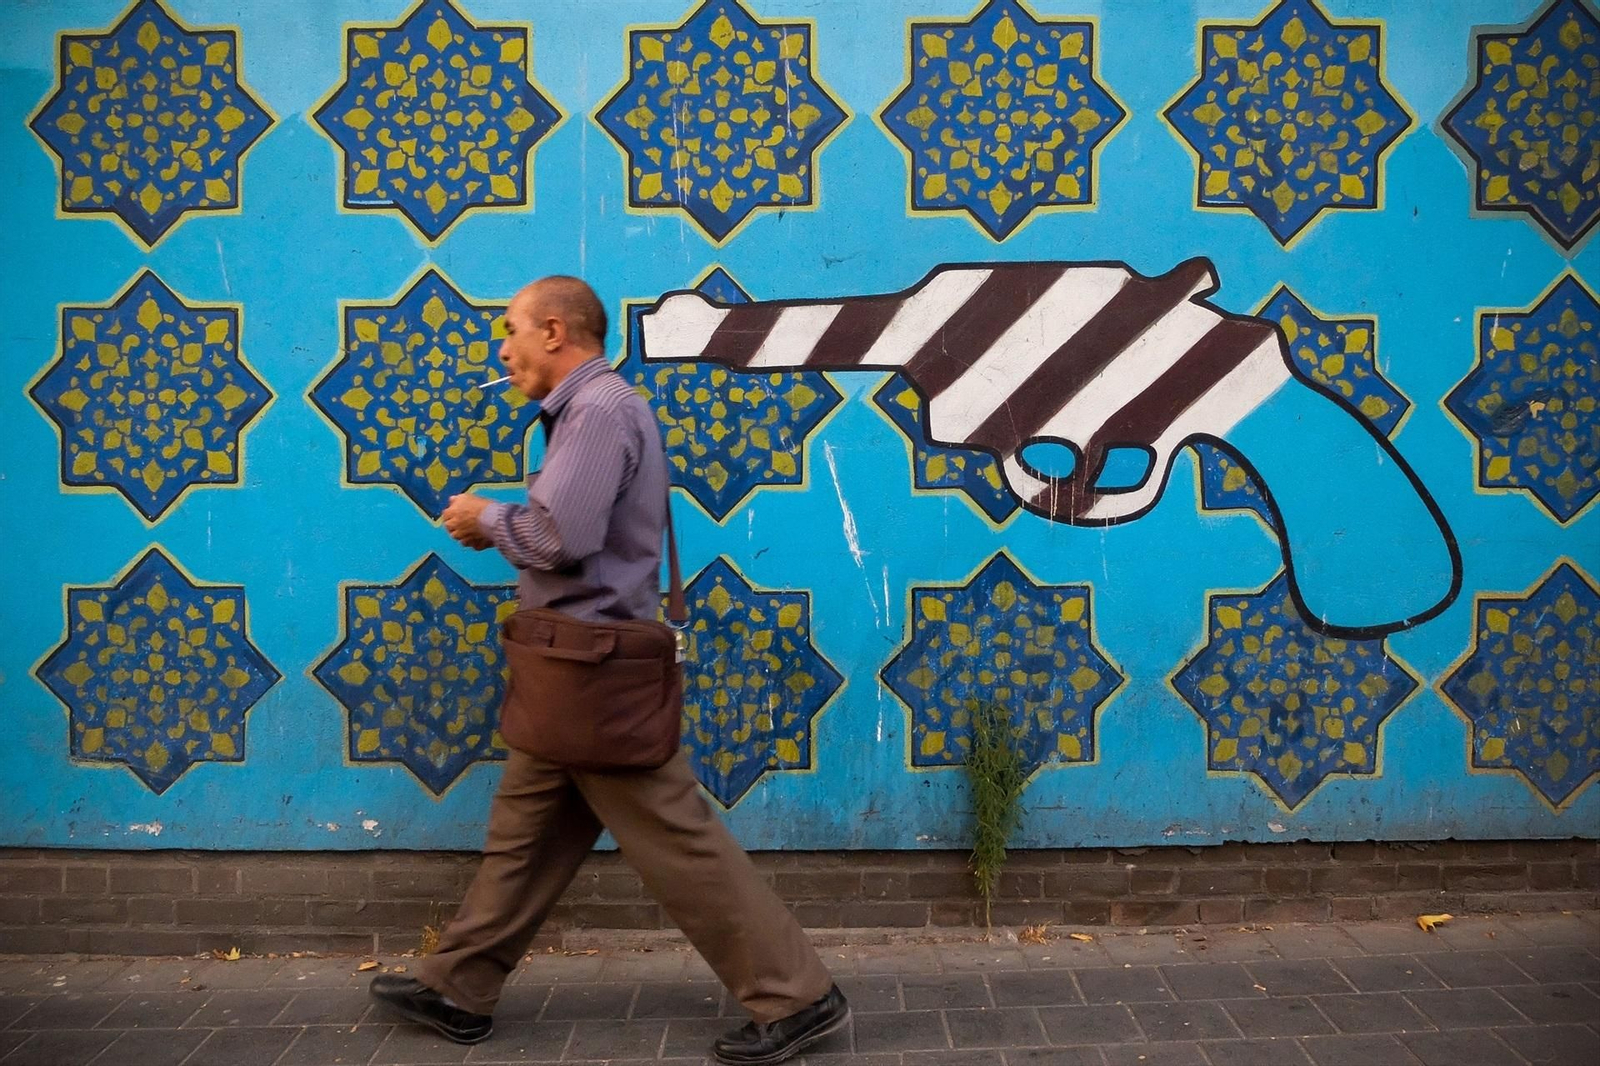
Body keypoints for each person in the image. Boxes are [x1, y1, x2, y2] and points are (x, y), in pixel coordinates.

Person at [367, 276, 849, 1064]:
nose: (503, 348)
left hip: (591, 671)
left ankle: (796, 996)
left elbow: (559, 538)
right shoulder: (593, 409)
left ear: (555, 331)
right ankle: (458, 986)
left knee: (676, 840)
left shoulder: (596, 411)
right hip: (569, 669)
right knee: (526, 836)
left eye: (512, 329)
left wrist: (485, 517)